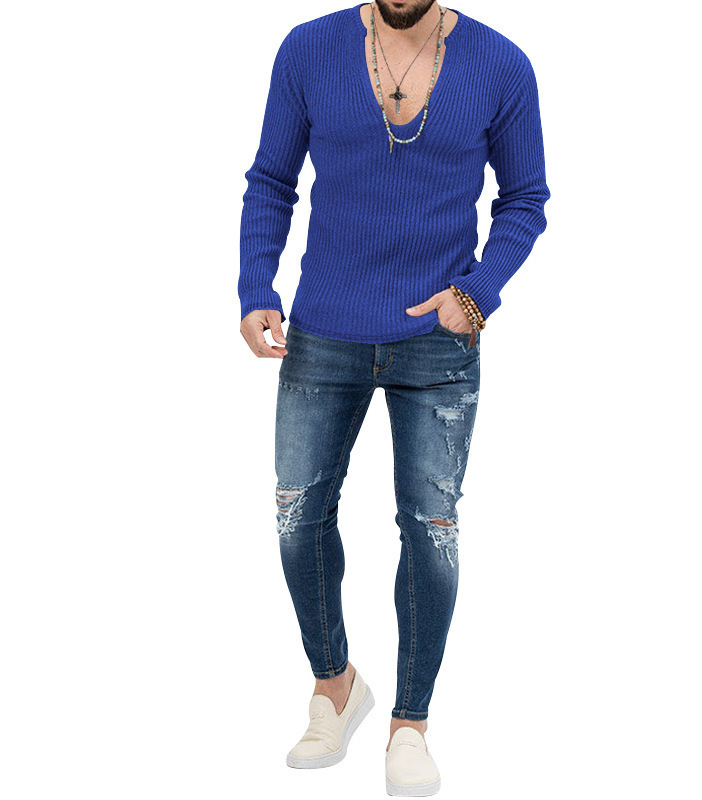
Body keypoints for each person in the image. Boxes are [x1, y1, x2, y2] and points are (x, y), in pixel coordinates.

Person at [238, 1, 549, 794]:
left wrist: (477, 293)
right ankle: (335, 687)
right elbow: (271, 179)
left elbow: (525, 198)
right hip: (323, 330)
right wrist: (255, 286)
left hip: (438, 339)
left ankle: (410, 724)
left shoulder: (502, 64)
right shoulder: (308, 49)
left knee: (432, 528)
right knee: (297, 514)